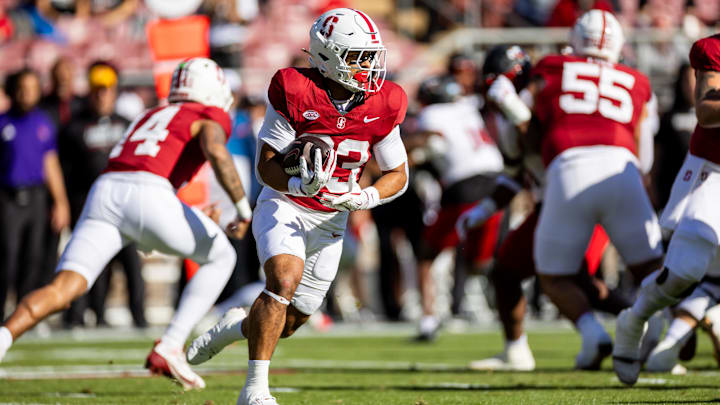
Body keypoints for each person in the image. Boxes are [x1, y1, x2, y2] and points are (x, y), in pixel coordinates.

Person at [186, 8, 409, 405]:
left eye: (370, 56)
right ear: (327, 57)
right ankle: (254, 390)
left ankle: (235, 329)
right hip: (285, 203)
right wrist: (294, 181)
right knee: (283, 283)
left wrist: (363, 196)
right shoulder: (294, 89)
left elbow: (398, 172)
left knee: (292, 320)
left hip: (333, 218)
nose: (369, 66)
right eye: (358, 56)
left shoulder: (383, 100)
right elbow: (266, 167)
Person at [0, 57, 253, 391]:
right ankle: (171, 344)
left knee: (64, 288)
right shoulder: (209, 114)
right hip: (147, 193)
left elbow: (147, 177)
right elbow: (216, 152)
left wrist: (173, 215)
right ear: (210, 89)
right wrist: (242, 208)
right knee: (223, 256)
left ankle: (3, 337)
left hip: (106, 190)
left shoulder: (149, 114)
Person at [525, 10, 664, 371]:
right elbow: (645, 157)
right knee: (654, 269)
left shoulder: (551, 67)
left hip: (569, 169)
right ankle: (658, 334)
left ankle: (591, 333)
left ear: (574, 39)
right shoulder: (637, 80)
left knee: (554, 276)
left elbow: (524, 129)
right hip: (623, 170)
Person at [613, 32, 720, 385]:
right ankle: (635, 317)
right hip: (714, 168)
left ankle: (677, 338)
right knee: (685, 270)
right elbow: (705, 111)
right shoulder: (713, 49)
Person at [410, 73, 505, 341]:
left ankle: (429, 319)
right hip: (498, 183)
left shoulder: (432, 115)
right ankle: (475, 303)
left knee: (427, 255)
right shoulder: (468, 107)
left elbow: (429, 141)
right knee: (481, 258)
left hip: (464, 185)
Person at [58, 61, 146, 328]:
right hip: (88, 205)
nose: (102, 94)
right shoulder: (74, 126)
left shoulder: (128, 124)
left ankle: (139, 318)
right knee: (92, 263)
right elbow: (64, 170)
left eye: (106, 89)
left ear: (114, 90)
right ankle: (90, 316)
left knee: (131, 264)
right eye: (97, 89)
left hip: (124, 206)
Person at [0, 68, 70, 322]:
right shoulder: (3, 122)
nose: (26, 94)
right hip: (8, 198)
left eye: (31, 88)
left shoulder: (43, 122)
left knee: (33, 258)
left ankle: (24, 315)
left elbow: (50, 164)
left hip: (37, 197)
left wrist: (60, 201)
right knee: (7, 256)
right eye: (22, 88)